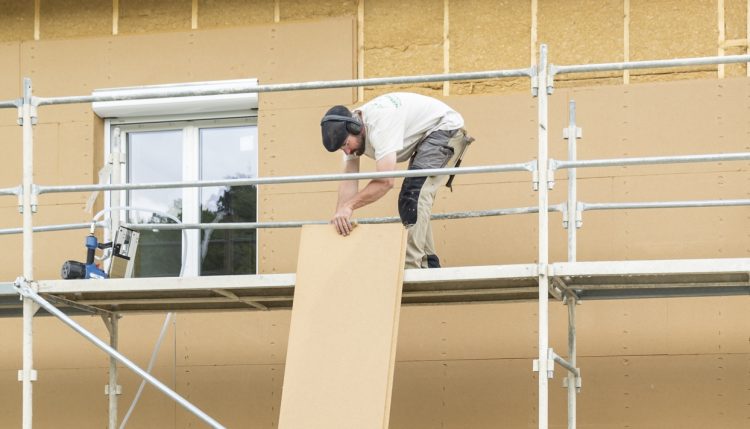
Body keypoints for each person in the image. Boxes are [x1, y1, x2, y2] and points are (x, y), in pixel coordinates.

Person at [320, 92, 474, 269]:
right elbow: (349, 179)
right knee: (413, 197)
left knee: (414, 193)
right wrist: (340, 215)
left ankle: (411, 266)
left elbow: (385, 181)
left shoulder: (380, 123)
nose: (346, 151)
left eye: (346, 145)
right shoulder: (349, 132)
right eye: (342, 148)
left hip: (444, 128)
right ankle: (429, 263)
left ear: (356, 127)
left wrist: (349, 207)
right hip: (425, 136)